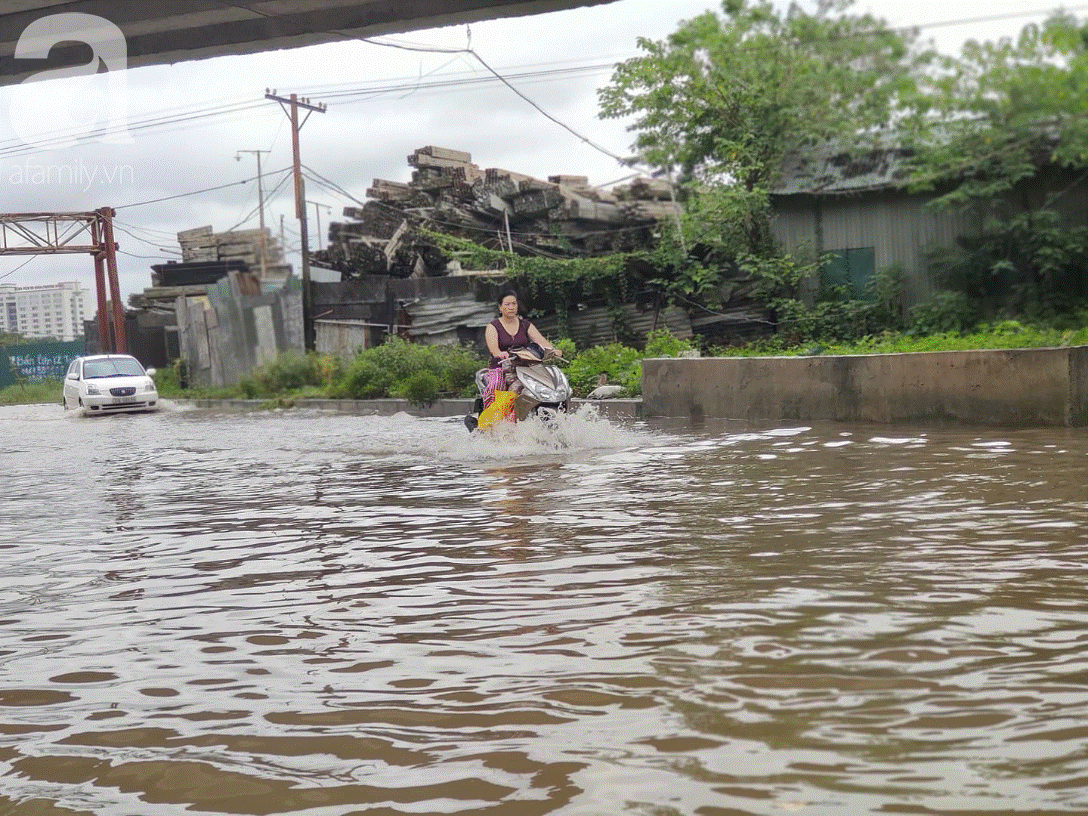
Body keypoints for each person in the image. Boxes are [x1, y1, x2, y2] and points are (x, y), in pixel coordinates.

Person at [481, 291, 557, 409]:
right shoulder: (493, 326)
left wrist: (552, 350)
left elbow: (541, 341)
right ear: (500, 307)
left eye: (514, 304)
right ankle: (491, 418)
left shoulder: (525, 325)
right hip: (500, 367)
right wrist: (500, 353)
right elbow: (494, 349)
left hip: (524, 366)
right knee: (496, 387)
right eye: (507, 304)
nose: (511, 307)